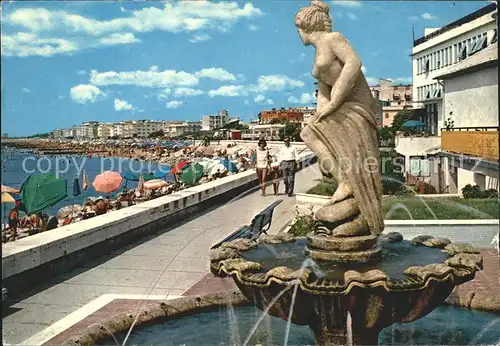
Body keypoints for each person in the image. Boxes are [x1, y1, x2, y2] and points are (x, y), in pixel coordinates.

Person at [295, 0, 384, 235]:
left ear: (305, 26)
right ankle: (344, 180)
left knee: (310, 132)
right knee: (309, 132)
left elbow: (354, 63)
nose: (298, 34)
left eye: (298, 28)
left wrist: (335, 101)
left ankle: (347, 185)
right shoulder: (317, 54)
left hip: (356, 106)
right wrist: (320, 113)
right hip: (339, 105)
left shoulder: (333, 38)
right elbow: (323, 89)